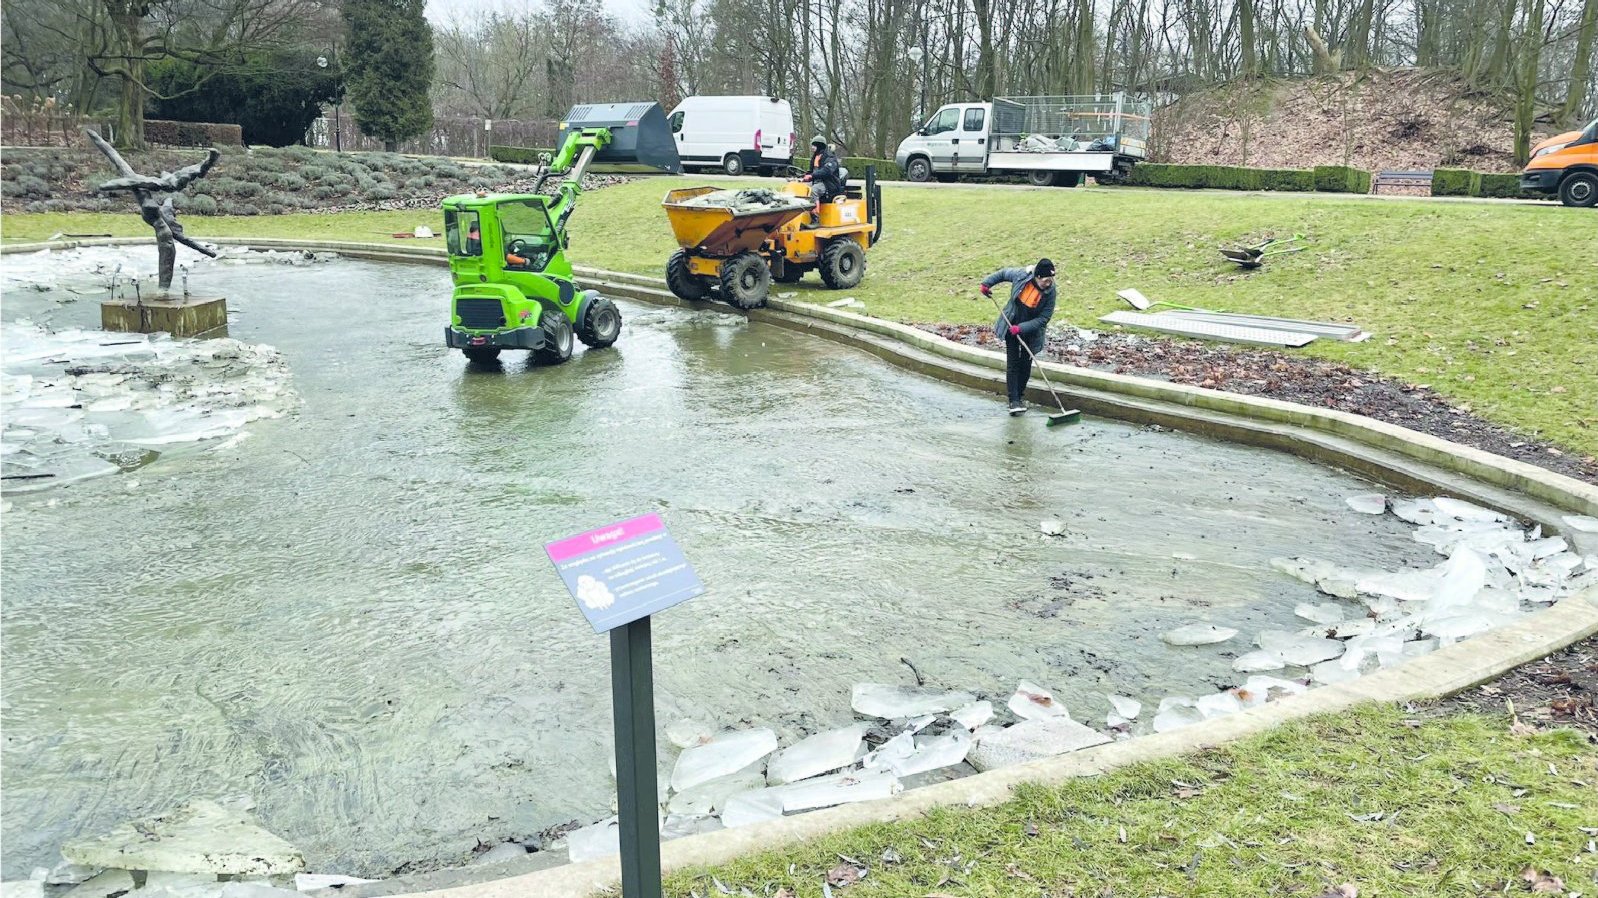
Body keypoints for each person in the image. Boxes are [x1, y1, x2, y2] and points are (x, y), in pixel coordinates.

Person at [979, 259, 1057, 415]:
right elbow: (1003, 274)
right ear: (1037, 276)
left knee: (1025, 364)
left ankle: (1020, 396)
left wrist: (1021, 328)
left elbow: (1044, 318)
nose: (1048, 284)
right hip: (1011, 323)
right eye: (1045, 280)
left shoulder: (1050, 292)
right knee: (1013, 363)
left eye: (1051, 280)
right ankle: (1013, 401)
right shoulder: (1021, 276)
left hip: (1032, 332)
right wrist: (987, 284)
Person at [801, 136, 844, 218]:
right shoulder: (815, 157)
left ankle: (815, 216)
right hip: (817, 181)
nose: (812, 147)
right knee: (802, 188)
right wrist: (805, 177)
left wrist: (811, 176)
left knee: (814, 190)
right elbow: (812, 171)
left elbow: (826, 171)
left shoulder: (830, 157)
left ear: (820, 146)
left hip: (829, 184)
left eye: (814, 145)